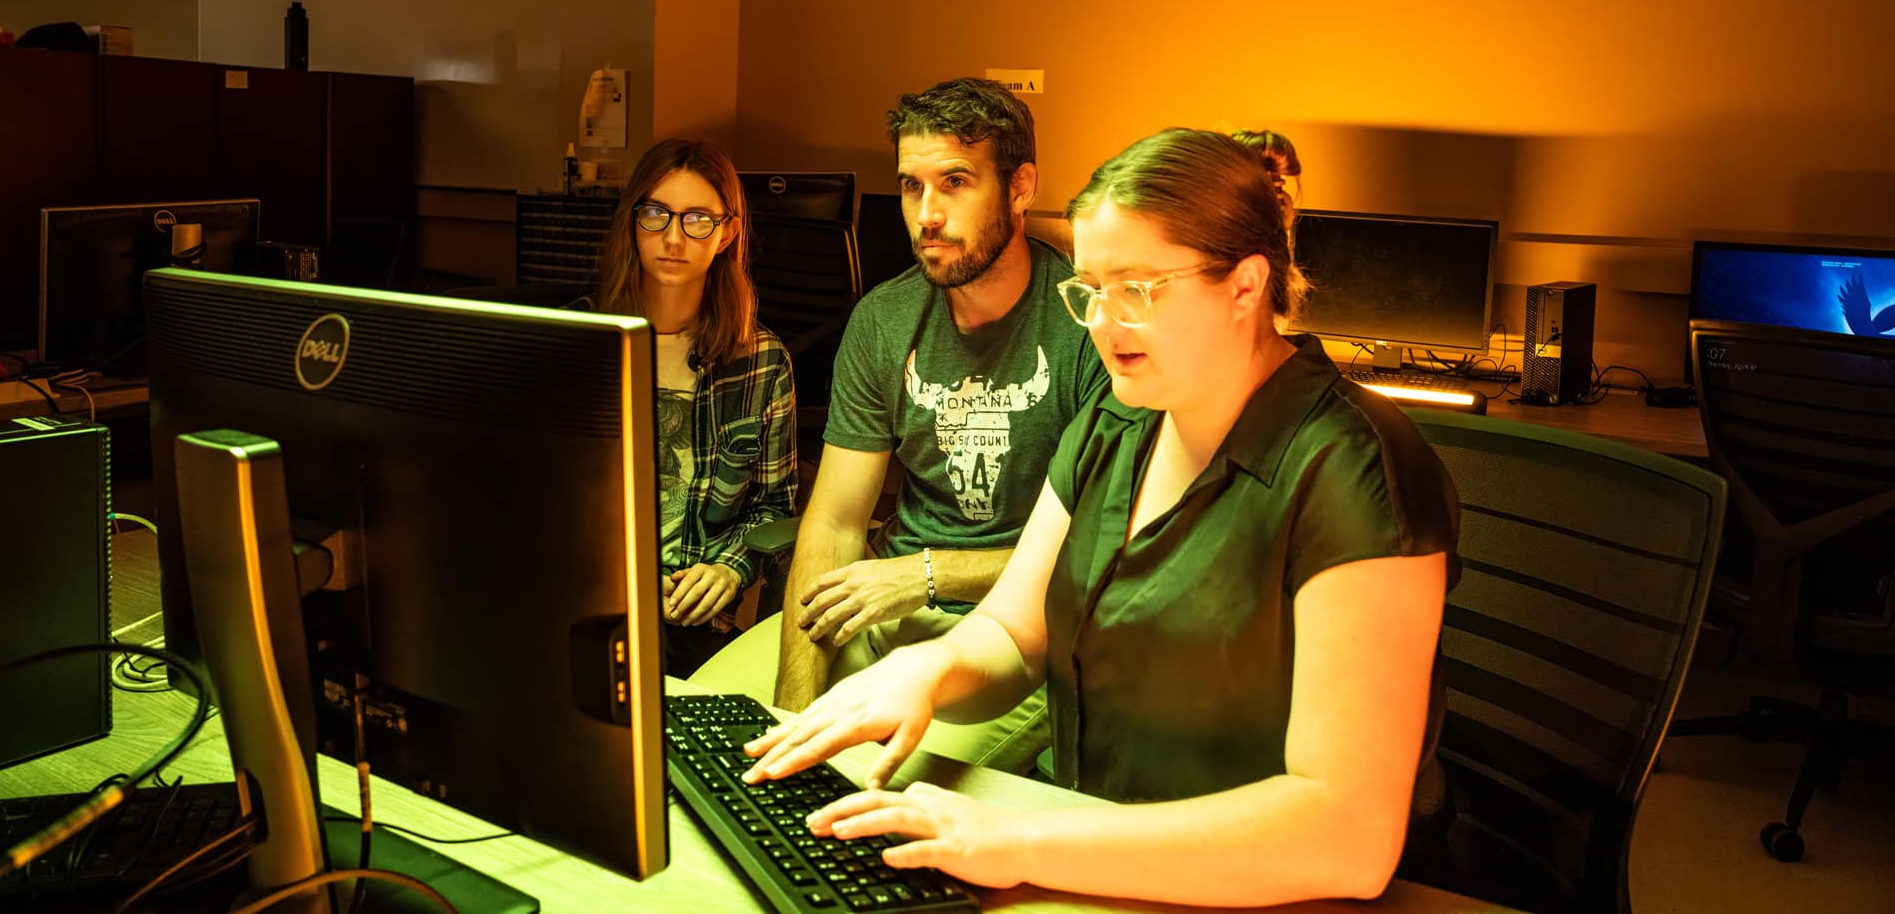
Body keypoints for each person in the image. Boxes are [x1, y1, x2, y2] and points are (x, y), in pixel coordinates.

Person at [742, 127, 1460, 906]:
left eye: (1137, 289)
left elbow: (1344, 835)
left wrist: (1014, 841)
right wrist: (926, 671)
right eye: (1088, 290)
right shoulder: (1118, 422)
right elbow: (1015, 633)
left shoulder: (1355, 470)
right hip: (1100, 851)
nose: (1103, 323)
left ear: (1246, 286)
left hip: (1275, 890)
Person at [694, 78, 1108, 773]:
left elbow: (1094, 562)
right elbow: (832, 526)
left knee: (866, 786)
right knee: (705, 738)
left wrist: (923, 574)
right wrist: (791, 713)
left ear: (1020, 185)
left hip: (1012, 635)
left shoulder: (1084, 328)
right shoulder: (884, 320)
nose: (928, 213)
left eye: (954, 182)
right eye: (912, 187)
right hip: (878, 607)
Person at [592, 138, 797, 677]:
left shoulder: (762, 361)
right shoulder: (586, 343)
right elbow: (539, 505)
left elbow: (775, 507)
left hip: (693, 617)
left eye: (697, 219)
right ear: (633, 221)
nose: (673, 237)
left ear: (726, 232)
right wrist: (622, 574)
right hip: (599, 604)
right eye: (656, 214)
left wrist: (730, 571)